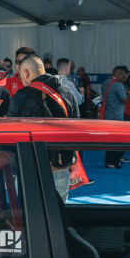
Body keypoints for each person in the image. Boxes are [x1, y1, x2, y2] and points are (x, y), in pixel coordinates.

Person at [8, 54, 80, 195]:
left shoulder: (21, 97)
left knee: (26, 215)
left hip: (30, 168)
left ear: (26, 73)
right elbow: (76, 129)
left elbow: (12, 135)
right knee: (58, 214)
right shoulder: (67, 93)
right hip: (60, 168)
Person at [100, 66, 130, 168]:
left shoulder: (106, 83)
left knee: (110, 140)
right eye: (122, 75)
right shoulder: (117, 85)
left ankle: (110, 161)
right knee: (116, 141)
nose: (124, 77)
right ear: (117, 74)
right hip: (116, 116)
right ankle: (112, 162)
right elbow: (124, 100)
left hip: (108, 114)